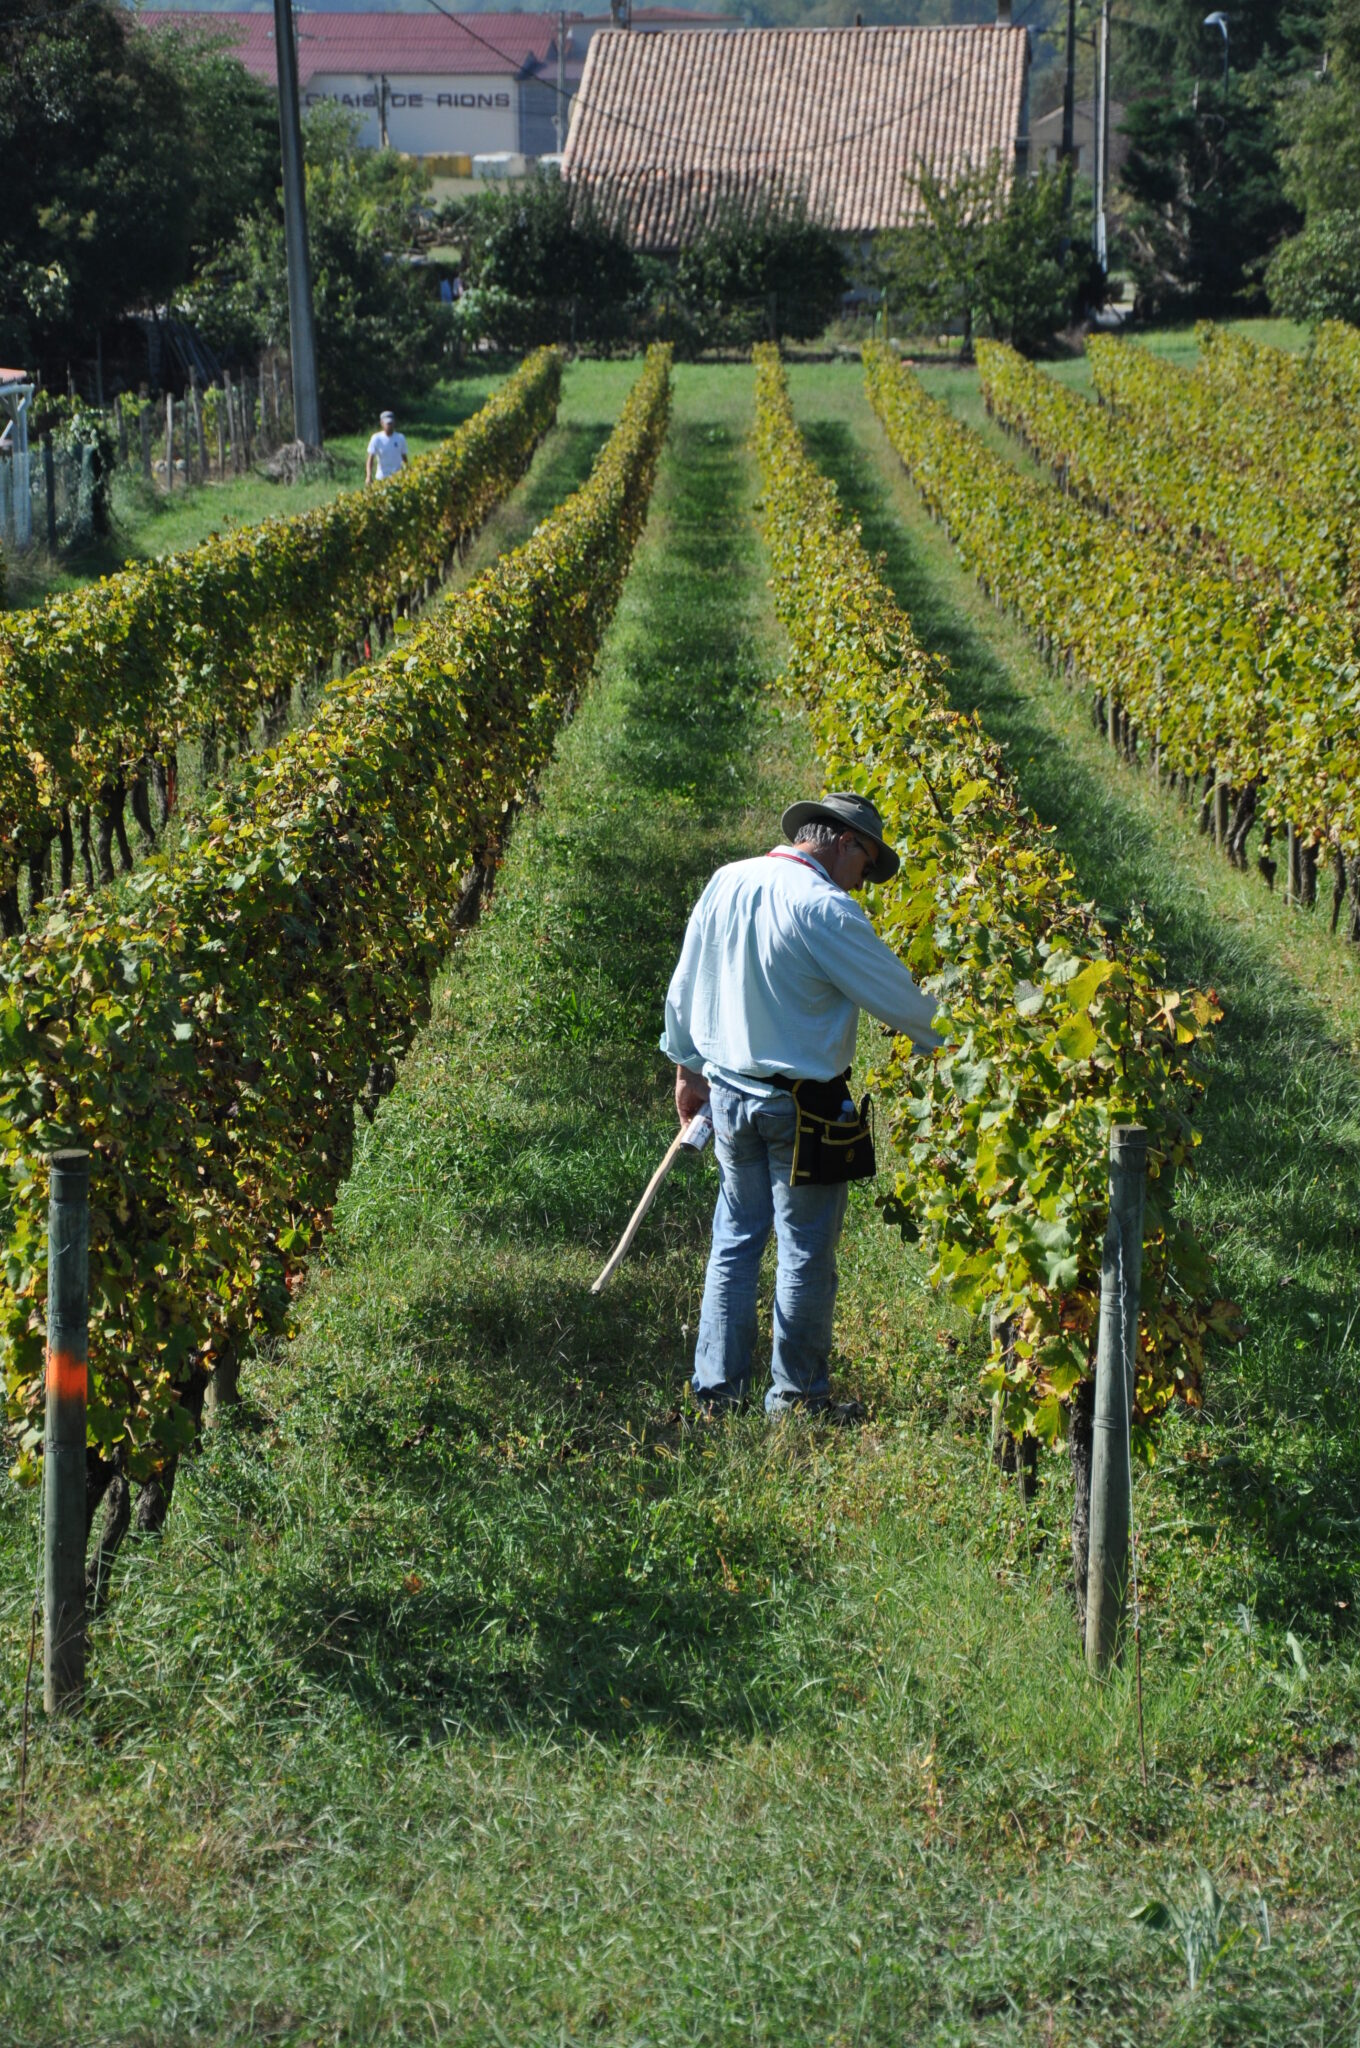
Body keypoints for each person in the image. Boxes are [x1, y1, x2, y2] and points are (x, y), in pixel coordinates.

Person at [661, 792, 944, 1420]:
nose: (863, 883)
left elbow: (687, 984)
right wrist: (970, 1043)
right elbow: (903, 1002)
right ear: (845, 843)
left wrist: (687, 1067)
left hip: (730, 1093)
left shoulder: (726, 881)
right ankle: (798, 1400)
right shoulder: (826, 910)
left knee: (734, 1238)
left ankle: (716, 1394)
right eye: (866, 867)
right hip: (805, 1111)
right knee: (805, 1251)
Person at [365, 410, 408, 484]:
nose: (389, 426)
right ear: (382, 423)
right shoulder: (376, 438)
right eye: (387, 423)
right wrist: (368, 476)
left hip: (398, 477)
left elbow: (404, 458)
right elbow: (370, 459)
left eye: (391, 423)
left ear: (394, 423)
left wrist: (407, 472)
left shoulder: (400, 438)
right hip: (382, 477)